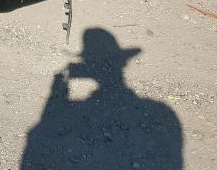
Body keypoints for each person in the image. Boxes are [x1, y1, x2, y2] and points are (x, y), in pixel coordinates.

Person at [21, 28, 182, 170]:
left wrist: (58, 83)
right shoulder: (163, 111)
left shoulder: (161, 111)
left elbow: (47, 120)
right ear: (123, 63)